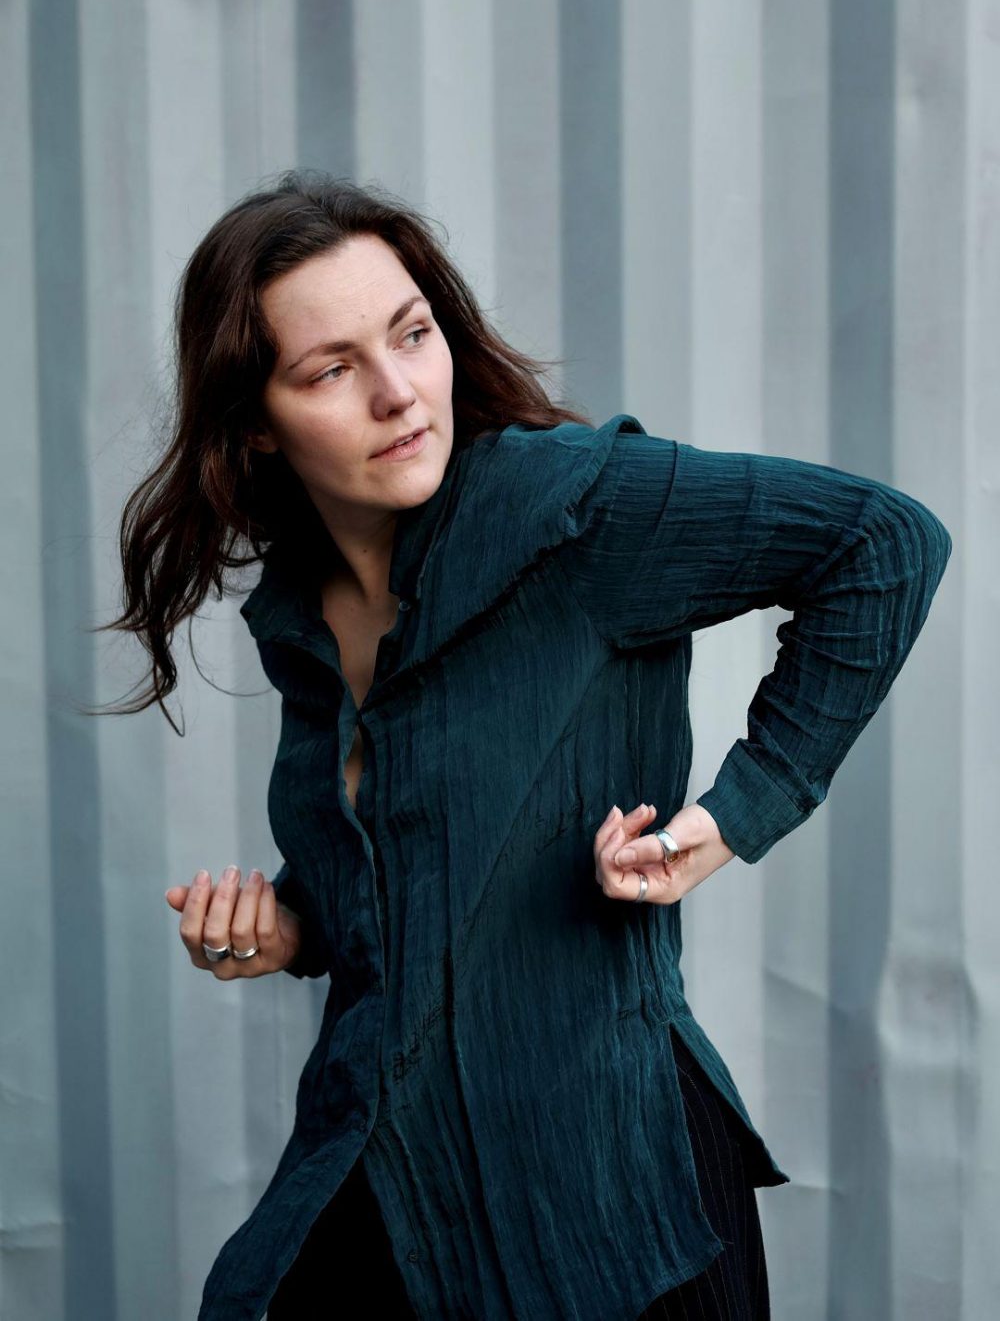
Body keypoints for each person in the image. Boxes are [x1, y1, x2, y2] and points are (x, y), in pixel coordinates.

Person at [96, 170, 952, 1320]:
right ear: (255, 421)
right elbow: (429, 868)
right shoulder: (297, 613)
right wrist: (290, 925)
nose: (399, 392)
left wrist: (724, 822)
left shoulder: (572, 511)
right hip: (397, 1183)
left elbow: (884, 542)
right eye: (331, 369)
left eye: (411, 334)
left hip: (611, 1203)